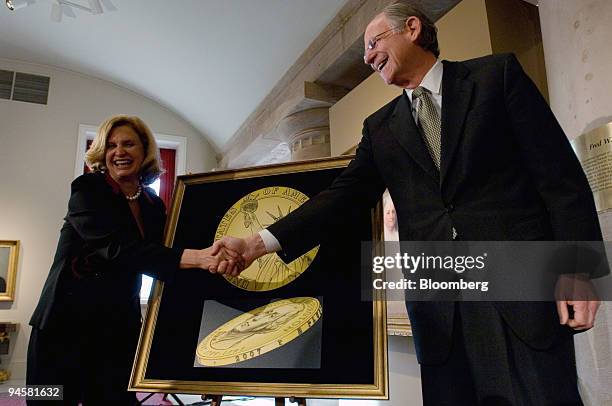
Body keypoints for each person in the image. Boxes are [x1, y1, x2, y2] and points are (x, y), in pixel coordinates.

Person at [211, 2, 604, 404]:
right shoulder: (380, 128)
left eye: (373, 42)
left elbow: (561, 182)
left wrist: (579, 272)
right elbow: (342, 197)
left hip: (520, 298)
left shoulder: (495, 77)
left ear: (412, 28)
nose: (366, 57)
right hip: (442, 316)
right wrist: (257, 243)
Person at [27, 115, 239, 405]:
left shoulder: (152, 205)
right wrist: (197, 257)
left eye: (129, 144)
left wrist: (209, 211)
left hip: (117, 327)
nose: (119, 152)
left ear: (145, 151)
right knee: (46, 401)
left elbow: (168, 255)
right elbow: (117, 250)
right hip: (63, 325)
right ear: (102, 153)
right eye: (111, 145)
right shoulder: (87, 189)